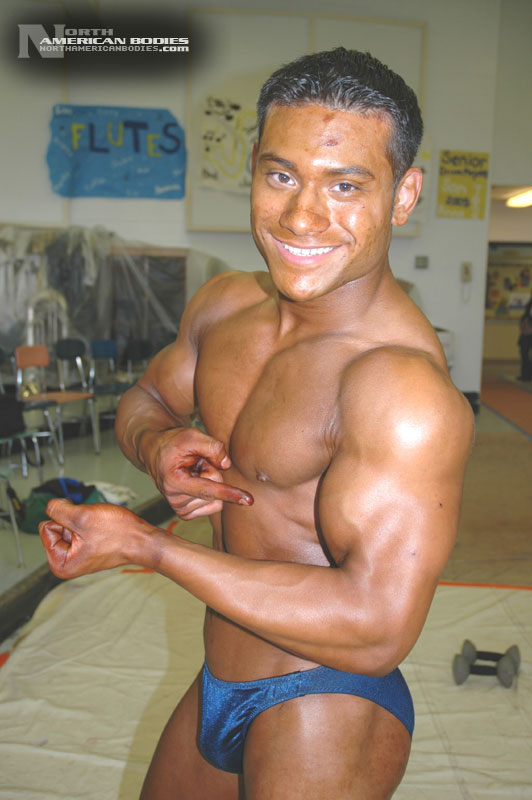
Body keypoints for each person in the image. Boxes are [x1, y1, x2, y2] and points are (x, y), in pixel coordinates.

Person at [40, 48, 474, 799]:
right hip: (221, 674)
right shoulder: (224, 306)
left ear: (403, 196)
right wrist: (159, 445)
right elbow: (146, 397)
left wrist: (147, 546)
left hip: (326, 696)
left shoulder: (399, 389)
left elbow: (376, 626)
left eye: (345, 186)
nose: (302, 216)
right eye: (281, 176)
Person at [518, 296, 532, 381]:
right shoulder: (526, 313)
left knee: (527, 356)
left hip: (529, 336)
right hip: (525, 336)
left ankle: (528, 375)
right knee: (524, 356)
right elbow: (522, 323)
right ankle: (525, 375)